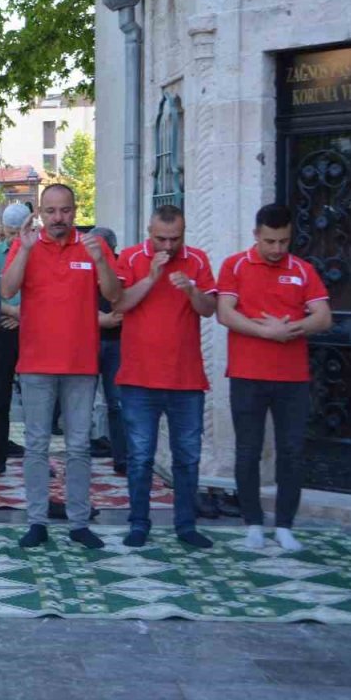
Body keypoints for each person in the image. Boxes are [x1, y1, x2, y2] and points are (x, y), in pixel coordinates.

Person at [0, 184, 120, 549]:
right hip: (36, 362)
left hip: (81, 364)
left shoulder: (91, 245)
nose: (58, 218)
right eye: (50, 211)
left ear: (75, 210)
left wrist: (100, 261)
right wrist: (24, 250)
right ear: (40, 211)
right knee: (36, 446)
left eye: (65, 210)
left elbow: (116, 296)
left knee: (79, 446)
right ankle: (36, 520)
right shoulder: (26, 245)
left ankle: (79, 521)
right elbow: (6, 290)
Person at [216, 203, 332, 551]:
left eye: (283, 241)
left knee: (291, 451)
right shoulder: (234, 265)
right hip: (247, 374)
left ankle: (284, 525)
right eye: (270, 241)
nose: (277, 249)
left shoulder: (303, 269)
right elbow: (225, 314)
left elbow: (323, 317)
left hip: (293, 379)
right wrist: (267, 333)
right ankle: (252, 523)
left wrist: (290, 328)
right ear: (256, 235)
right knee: (248, 450)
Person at [112, 205, 217, 549]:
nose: (168, 247)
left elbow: (209, 309)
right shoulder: (130, 258)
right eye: (161, 239)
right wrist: (152, 277)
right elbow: (121, 303)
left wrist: (190, 290)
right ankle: (139, 523)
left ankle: (186, 525)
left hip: (186, 380)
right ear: (148, 231)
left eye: (175, 239)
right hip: (139, 378)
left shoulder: (198, 260)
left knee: (187, 456)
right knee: (140, 457)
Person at [0, 204, 30, 477]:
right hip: (1, 331)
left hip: (34, 332)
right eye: (11, 232)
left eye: (19, 232)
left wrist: (24, 317)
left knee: (38, 399)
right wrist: (11, 311)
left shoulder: (41, 252)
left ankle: (38, 459)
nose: (15, 238)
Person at [90, 226, 128, 475]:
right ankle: (81, 452)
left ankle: (122, 457)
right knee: (82, 403)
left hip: (117, 342)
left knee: (117, 403)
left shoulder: (123, 268)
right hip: (88, 340)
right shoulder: (83, 268)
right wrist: (97, 319)